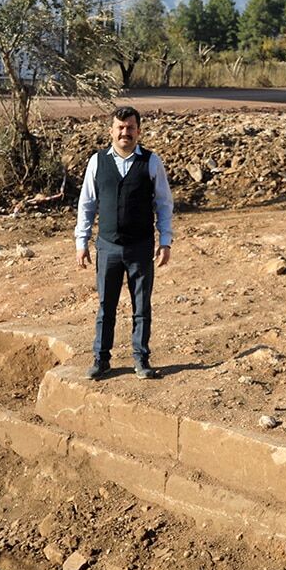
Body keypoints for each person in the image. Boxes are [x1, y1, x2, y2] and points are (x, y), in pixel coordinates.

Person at [74, 106, 173, 380]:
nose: (125, 132)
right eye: (120, 127)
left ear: (138, 131)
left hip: (141, 247)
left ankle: (141, 360)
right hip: (108, 247)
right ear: (111, 131)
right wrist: (81, 241)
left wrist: (165, 241)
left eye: (130, 128)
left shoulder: (152, 163)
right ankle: (101, 359)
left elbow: (164, 204)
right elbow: (87, 204)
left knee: (141, 306)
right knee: (106, 306)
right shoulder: (97, 162)